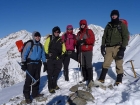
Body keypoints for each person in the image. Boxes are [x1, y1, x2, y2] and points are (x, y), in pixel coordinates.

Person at [99, 10, 129, 85]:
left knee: (119, 63)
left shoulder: (121, 25)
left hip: (118, 46)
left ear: (118, 16)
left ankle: (119, 79)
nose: (114, 16)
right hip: (108, 47)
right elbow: (104, 37)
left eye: (115, 15)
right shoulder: (108, 25)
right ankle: (102, 78)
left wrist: (122, 48)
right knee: (106, 62)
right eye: (112, 15)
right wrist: (103, 46)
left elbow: (125, 37)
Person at [21, 31, 47, 104]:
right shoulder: (30, 44)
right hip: (30, 64)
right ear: (33, 36)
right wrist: (23, 63)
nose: (37, 37)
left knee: (37, 79)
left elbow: (43, 55)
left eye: (39, 36)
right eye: (36, 36)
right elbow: (24, 53)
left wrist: (44, 62)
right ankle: (27, 96)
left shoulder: (41, 46)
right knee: (29, 80)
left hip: (38, 64)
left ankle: (35, 94)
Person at [44, 26, 66, 93]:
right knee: (50, 73)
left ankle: (54, 84)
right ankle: (50, 87)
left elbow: (64, 49)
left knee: (57, 72)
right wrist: (48, 55)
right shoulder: (50, 38)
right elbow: (45, 47)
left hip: (58, 59)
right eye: (55, 32)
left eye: (58, 32)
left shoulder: (61, 40)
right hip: (51, 59)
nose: (56, 33)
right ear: (53, 32)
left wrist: (62, 55)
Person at [75, 19, 95, 85]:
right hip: (81, 51)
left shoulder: (89, 31)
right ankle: (85, 78)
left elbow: (92, 40)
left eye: (83, 24)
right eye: (81, 24)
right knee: (82, 65)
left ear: (85, 25)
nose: (82, 25)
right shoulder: (78, 33)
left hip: (88, 50)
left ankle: (90, 79)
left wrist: (84, 41)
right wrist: (77, 42)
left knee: (88, 64)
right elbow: (76, 41)